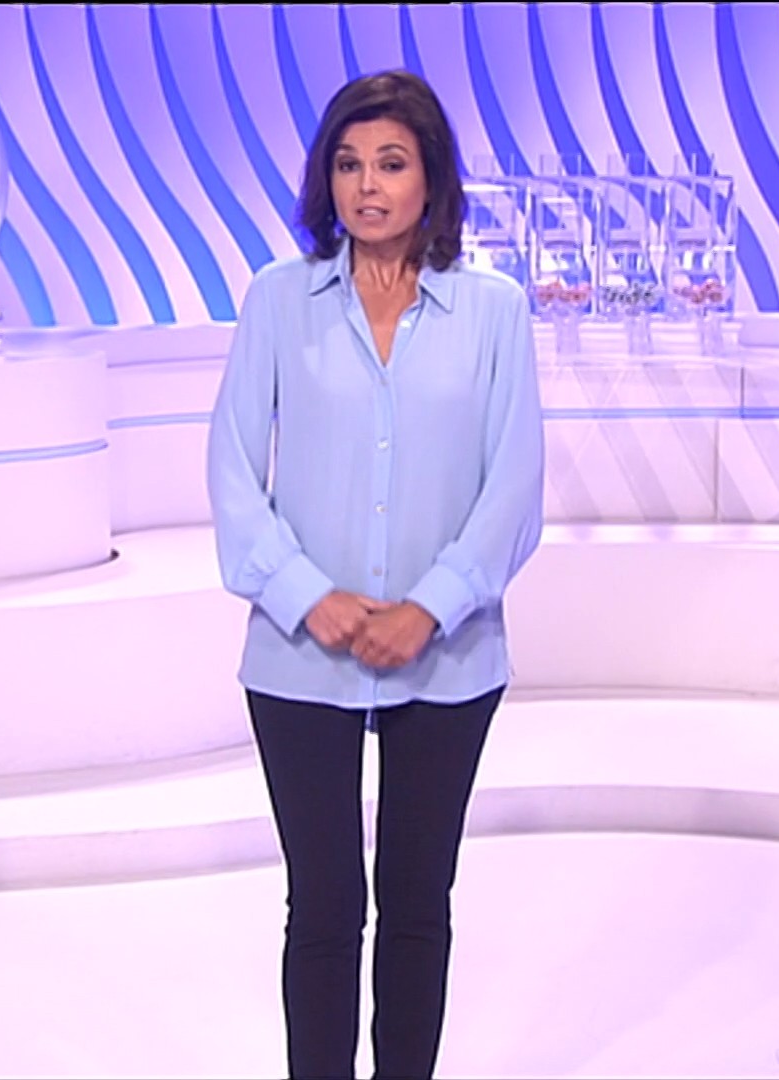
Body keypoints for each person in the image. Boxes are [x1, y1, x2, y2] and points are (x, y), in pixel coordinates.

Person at [205, 69, 545, 1080]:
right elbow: (232, 470)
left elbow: (514, 485)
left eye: (391, 163)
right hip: (300, 655)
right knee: (322, 906)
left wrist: (431, 608)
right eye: (348, 164)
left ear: (430, 178)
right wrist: (305, 595)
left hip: (449, 658)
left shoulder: (493, 311)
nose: (367, 186)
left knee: (415, 903)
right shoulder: (278, 301)